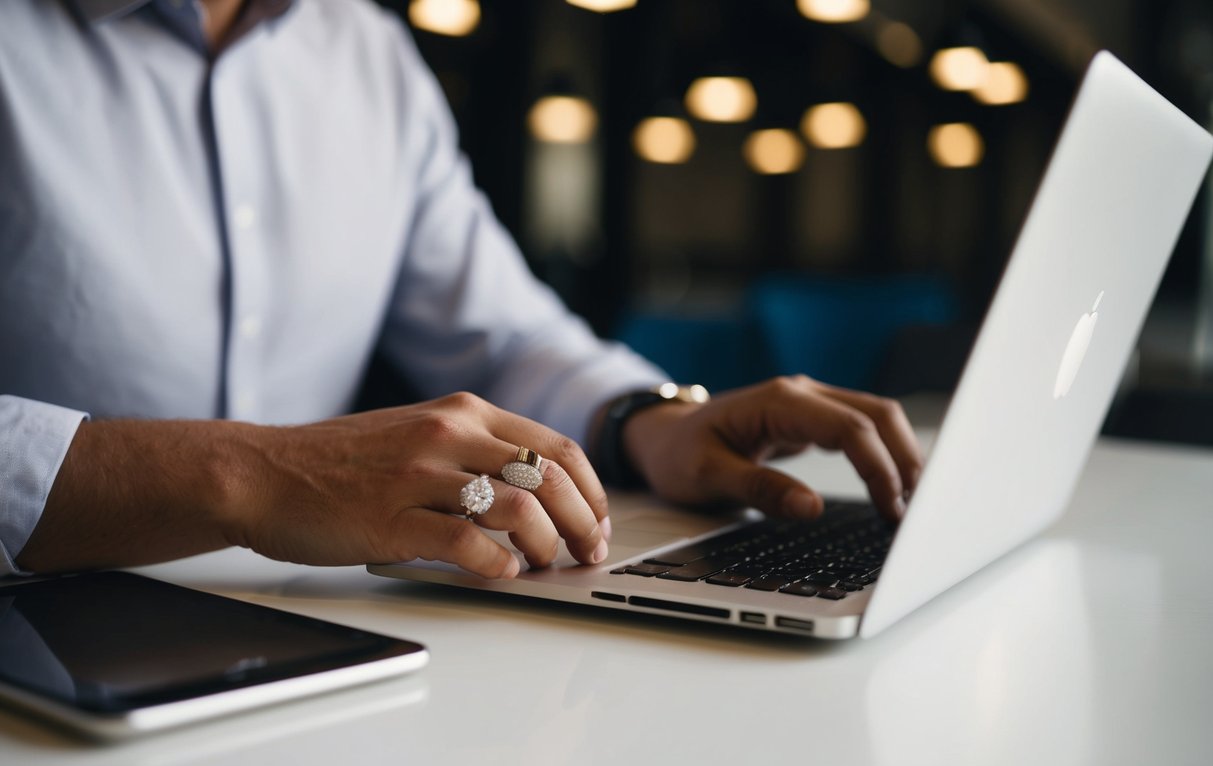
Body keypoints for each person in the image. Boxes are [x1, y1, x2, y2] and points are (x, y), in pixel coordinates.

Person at [0, 0, 921, 582]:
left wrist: (656, 418)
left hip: (309, 632)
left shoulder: (367, 50)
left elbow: (502, 331)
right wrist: (249, 475)